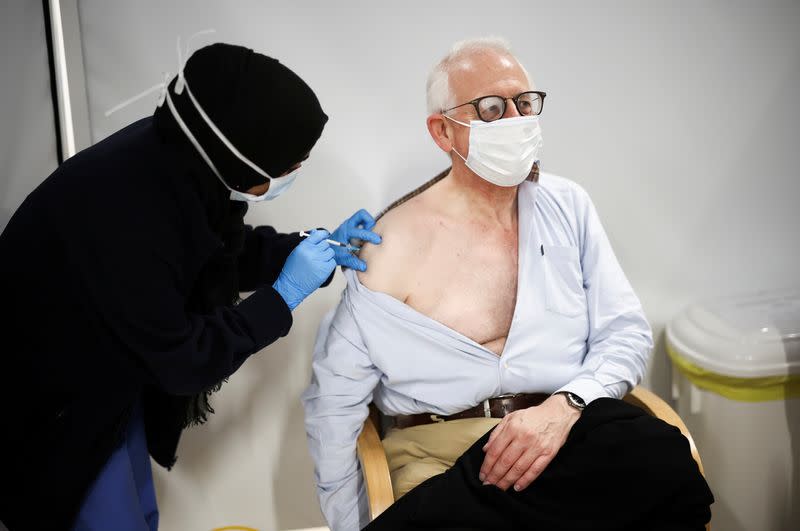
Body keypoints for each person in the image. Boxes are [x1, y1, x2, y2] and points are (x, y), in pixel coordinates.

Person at [302, 38, 711, 530]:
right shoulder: (391, 242)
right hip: (441, 460)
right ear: (443, 131)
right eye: (492, 109)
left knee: (663, 460)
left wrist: (567, 405)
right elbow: (334, 402)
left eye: (525, 103)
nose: (516, 120)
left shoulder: (568, 206)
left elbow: (625, 333)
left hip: (566, 436)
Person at [0, 43, 380, 531]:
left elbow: (218, 251)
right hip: (51, 405)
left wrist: (315, 246)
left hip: (109, 381)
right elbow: (185, 360)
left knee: (138, 512)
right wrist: (282, 297)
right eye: (288, 166)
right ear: (241, 157)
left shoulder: (182, 155)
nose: (295, 174)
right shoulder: (127, 215)